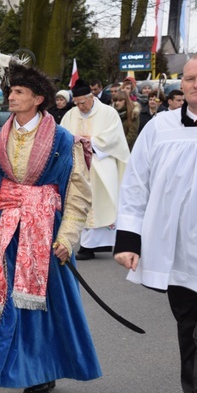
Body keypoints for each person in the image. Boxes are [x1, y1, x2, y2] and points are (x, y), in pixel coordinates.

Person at [0, 60, 101, 393]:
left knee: (42, 309)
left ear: (38, 98)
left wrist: (67, 239)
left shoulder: (63, 140)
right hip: (6, 231)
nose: (11, 97)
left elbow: (77, 192)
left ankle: (41, 370)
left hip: (45, 233)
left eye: (19, 92)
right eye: (10, 91)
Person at [113, 55, 197, 393]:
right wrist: (129, 240)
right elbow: (136, 183)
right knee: (188, 334)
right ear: (179, 85)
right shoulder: (160, 128)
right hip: (176, 255)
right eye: (190, 78)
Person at [60, 79, 129, 260]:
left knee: (104, 202)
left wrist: (92, 141)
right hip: (79, 166)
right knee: (83, 203)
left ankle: (109, 243)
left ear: (92, 97)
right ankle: (87, 246)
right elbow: (63, 135)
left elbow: (114, 138)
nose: (80, 107)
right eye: (77, 103)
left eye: (83, 102)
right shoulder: (70, 115)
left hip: (102, 164)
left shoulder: (108, 113)